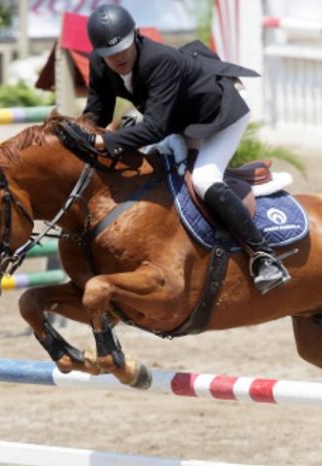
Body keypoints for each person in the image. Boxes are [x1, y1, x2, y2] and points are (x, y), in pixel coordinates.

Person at [61, 4, 289, 294]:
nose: (118, 58)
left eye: (123, 48)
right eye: (109, 54)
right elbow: (97, 113)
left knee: (205, 180)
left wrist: (103, 141)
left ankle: (264, 256)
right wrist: (72, 133)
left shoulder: (160, 61)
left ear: (136, 36)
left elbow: (154, 128)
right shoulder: (99, 64)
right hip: (180, 119)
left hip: (220, 114)